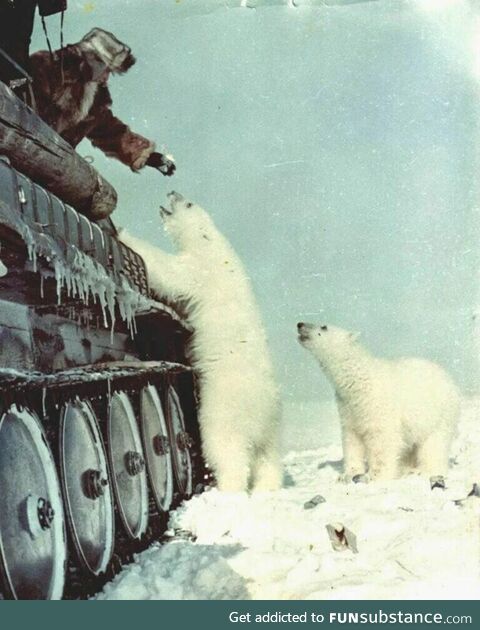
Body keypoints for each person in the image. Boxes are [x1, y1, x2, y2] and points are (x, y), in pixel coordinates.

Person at [30, 27, 175, 175]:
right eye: (106, 70)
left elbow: (109, 131)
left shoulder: (95, 99)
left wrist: (147, 156)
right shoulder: (45, 66)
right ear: (93, 59)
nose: (106, 78)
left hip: (44, 163)